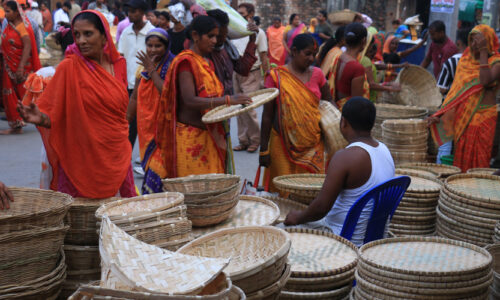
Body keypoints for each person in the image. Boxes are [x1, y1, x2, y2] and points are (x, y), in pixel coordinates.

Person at [17, 10, 137, 198]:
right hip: (81, 158)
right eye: (77, 35)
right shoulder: (69, 67)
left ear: (104, 36)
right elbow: (54, 117)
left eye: (88, 34)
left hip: (118, 152)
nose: (81, 41)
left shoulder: (119, 64)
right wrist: (40, 118)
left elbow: (120, 112)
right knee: (82, 219)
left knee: (124, 215)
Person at [144, 16, 251, 187]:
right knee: (196, 194)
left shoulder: (205, 62)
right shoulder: (186, 62)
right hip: (190, 140)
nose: (215, 41)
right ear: (195, 35)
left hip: (209, 136)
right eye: (210, 36)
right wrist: (229, 100)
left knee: (212, 192)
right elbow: (190, 100)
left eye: (216, 36)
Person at [283, 97, 395, 247]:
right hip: (374, 236)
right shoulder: (384, 150)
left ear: (343, 123)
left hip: (342, 236)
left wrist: (297, 217)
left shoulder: (345, 157)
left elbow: (321, 208)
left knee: (278, 231)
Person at [260, 34, 332, 192]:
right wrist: (264, 149)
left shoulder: (318, 75)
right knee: (284, 191)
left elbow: (329, 104)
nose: (311, 58)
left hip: (313, 143)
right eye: (307, 54)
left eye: (314, 54)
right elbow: (267, 116)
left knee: (310, 190)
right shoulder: (276, 77)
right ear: (293, 51)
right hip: (282, 144)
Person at [429, 24, 500, 172]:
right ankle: (462, 191)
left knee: (480, 160)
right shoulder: (465, 61)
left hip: (484, 117)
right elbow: (455, 94)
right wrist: (439, 114)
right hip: (464, 117)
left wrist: (483, 52)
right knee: (461, 158)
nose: (474, 45)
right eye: (472, 40)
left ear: (487, 41)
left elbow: (485, 81)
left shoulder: (496, 61)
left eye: (478, 41)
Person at [126, 28, 175, 193]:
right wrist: (125, 121)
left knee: (159, 168)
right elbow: (134, 97)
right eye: (149, 45)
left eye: (158, 46)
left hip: (164, 128)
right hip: (145, 127)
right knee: (149, 165)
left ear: (166, 46)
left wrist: (151, 69)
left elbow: (166, 93)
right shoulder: (142, 68)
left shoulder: (172, 66)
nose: (153, 50)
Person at [232, 2, 269, 153]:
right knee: (237, 107)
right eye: (238, 14)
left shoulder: (259, 33)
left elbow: (263, 56)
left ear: (251, 15)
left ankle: (255, 140)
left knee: (248, 108)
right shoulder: (235, 31)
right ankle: (243, 140)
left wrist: (266, 78)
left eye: (242, 14)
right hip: (236, 72)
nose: (239, 17)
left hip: (251, 73)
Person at [0, 0, 41, 135]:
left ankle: (42, 116)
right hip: (8, 64)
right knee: (11, 95)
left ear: (17, 12)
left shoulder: (22, 27)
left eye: (8, 11)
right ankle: (16, 124)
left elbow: (27, 46)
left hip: (18, 67)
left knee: (23, 94)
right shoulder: (10, 24)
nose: (5, 15)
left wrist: (21, 67)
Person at [118, 0, 155, 149]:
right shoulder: (126, 32)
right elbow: (121, 56)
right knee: (129, 124)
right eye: (129, 11)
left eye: (134, 11)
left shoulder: (152, 32)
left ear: (142, 12)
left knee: (146, 124)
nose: (131, 14)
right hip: (128, 85)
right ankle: (126, 159)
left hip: (147, 84)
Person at [206, 9, 257, 96]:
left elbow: (243, 69)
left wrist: (252, 41)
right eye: (218, 36)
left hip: (228, 101)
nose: (222, 39)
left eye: (225, 35)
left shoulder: (227, 47)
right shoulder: (204, 52)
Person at [327, 22, 369, 109]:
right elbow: (356, 105)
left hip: (336, 108)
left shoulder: (338, 57)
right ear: (364, 41)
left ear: (345, 39)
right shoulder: (357, 68)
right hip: (347, 115)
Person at [437, 27, 471, 95]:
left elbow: (441, 89)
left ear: (458, 43)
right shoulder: (481, 61)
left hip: (452, 102)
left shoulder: (452, 62)